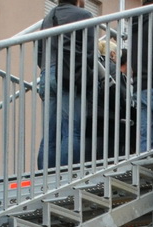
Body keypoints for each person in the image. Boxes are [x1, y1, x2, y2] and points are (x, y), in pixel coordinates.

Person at [37, 0, 96, 167]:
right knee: (71, 131)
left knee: (50, 134)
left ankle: (44, 176)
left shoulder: (47, 19)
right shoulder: (83, 15)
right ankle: (66, 175)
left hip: (47, 74)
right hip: (69, 74)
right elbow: (90, 51)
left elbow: (40, 50)